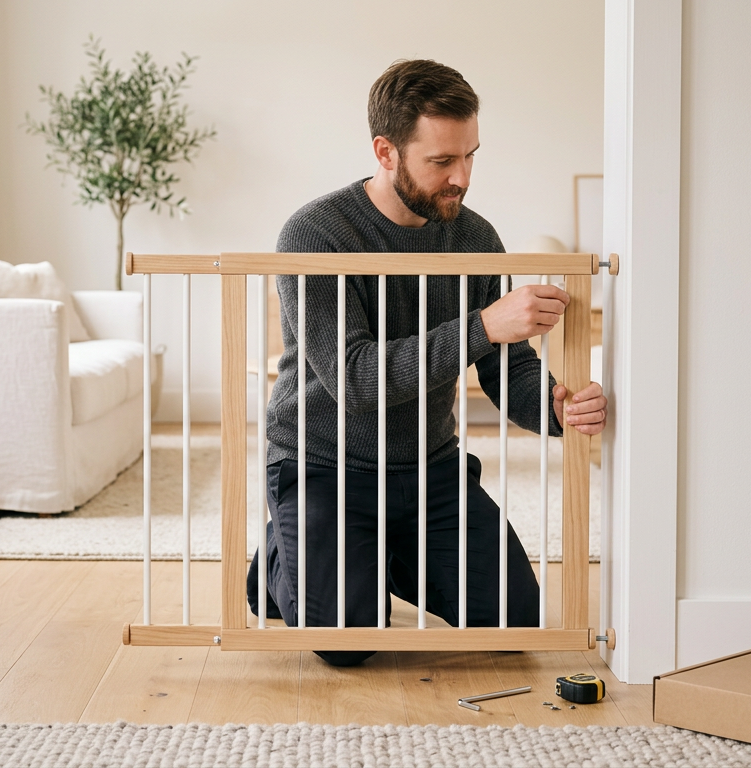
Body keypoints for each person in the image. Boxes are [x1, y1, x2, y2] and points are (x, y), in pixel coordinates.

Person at [246, 59, 608, 667]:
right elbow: (355, 379)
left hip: (427, 467)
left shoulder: (475, 239)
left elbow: (505, 367)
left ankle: (375, 552)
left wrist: (553, 404)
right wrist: (484, 325)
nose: (461, 177)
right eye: (442, 161)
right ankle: (282, 561)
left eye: (469, 156)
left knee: (514, 624)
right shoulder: (315, 234)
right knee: (346, 643)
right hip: (325, 465)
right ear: (386, 152)